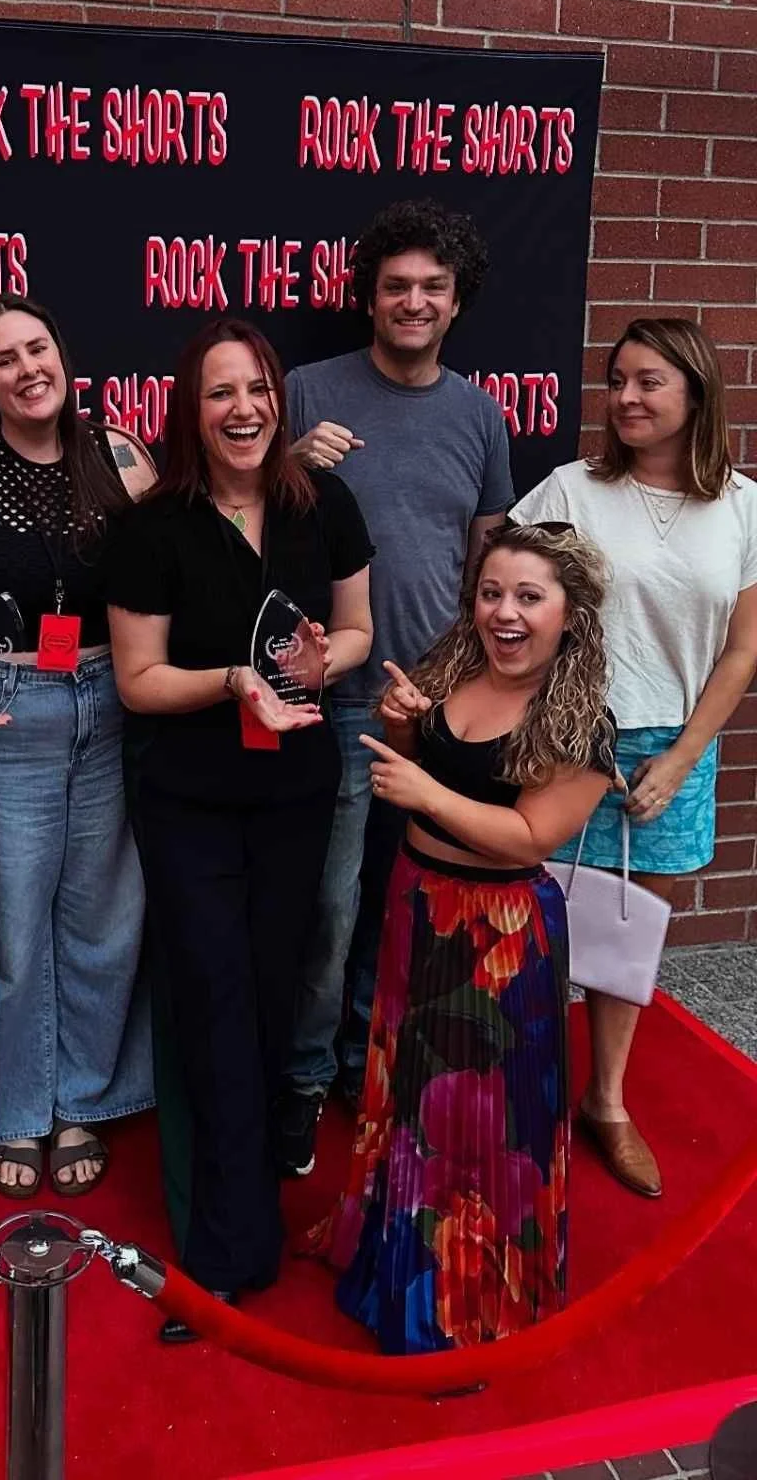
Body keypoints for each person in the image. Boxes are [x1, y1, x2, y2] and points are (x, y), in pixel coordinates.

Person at [106, 319, 374, 1340]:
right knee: (212, 998)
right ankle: (221, 1255)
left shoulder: (325, 503)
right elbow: (137, 682)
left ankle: (251, 1199)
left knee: (270, 992)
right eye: (220, 392)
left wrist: (322, 667)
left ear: (278, 398)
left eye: (256, 387)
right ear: (192, 411)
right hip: (191, 803)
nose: (244, 407)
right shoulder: (156, 525)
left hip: (298, 792)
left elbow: (355, 629)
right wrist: (234, 681)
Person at [327, 523, 615, 1353]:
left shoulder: (583, 720)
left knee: (480, 1123)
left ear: (571, 614)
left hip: (501, 935)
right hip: (418, 906)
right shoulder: (453, 668)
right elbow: (432, 772)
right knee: (407, 1091)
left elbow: (529, 837)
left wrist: (419, 785)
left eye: (530, 596)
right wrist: (407, 726)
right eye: (493, 593)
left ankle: (464, 1300)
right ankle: (392, 1256)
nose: (506, 612)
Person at [280, 197, 514, 1179]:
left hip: (438, 699)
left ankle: (359, 1065)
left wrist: (481, 687)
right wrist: (290, 463)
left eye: (433, 288)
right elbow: (237, 516)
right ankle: (298, 1077)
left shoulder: (478, 414)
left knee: (407, 896)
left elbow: (490, 557)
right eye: (395, 287)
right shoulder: (303, 391)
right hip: (333, 691)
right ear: (368, 299)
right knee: (329, 904)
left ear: (457, 304)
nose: (413, 302)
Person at [512, 318, 757, 1200]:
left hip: (670, 754)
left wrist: (684, 759)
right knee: (532, 928)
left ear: (696, 391)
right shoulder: (571, 492)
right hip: (570, 742)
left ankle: (605, 1103)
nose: (625, 398)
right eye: (617, 381)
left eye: (648, 382)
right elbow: (505, 599)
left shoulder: (743, 505)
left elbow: (741, 652)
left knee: (624, 944)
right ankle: (518, 1098)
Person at [0, 298, 156, 1200]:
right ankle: (15, 1110)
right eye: (2, 360)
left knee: (102, 912)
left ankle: (82, 1101)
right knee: (13, 921)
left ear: (64, 355)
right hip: (5, 710)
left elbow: (183, 554)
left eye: (38, 348)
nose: (27, 369)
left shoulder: (123, 455)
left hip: (109, 695)